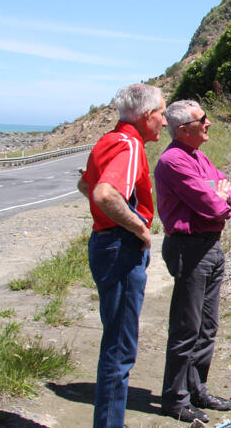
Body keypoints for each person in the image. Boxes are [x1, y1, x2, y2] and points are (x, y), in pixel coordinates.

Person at [77, 83, 167, 428]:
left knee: (114, 339)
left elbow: (85, 185)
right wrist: (139, 229)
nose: (163, 121)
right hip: (120, 248)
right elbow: (103, 193)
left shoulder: (107, 140)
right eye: (161, 114)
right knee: (120, 348)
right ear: (147, 116)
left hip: (103, 243)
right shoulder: (130, 145)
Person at [155, 100, 231, 423]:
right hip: (189, 248)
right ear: (183, 130)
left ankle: (197, 388)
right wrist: (217, 194)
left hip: (211, 246)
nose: (208, 124)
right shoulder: (173, 162)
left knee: (208, 325)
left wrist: (220, 193)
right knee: (186, 327)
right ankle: (174, 398)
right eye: (202, 120)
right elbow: (213, 205)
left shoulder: (199, 157)